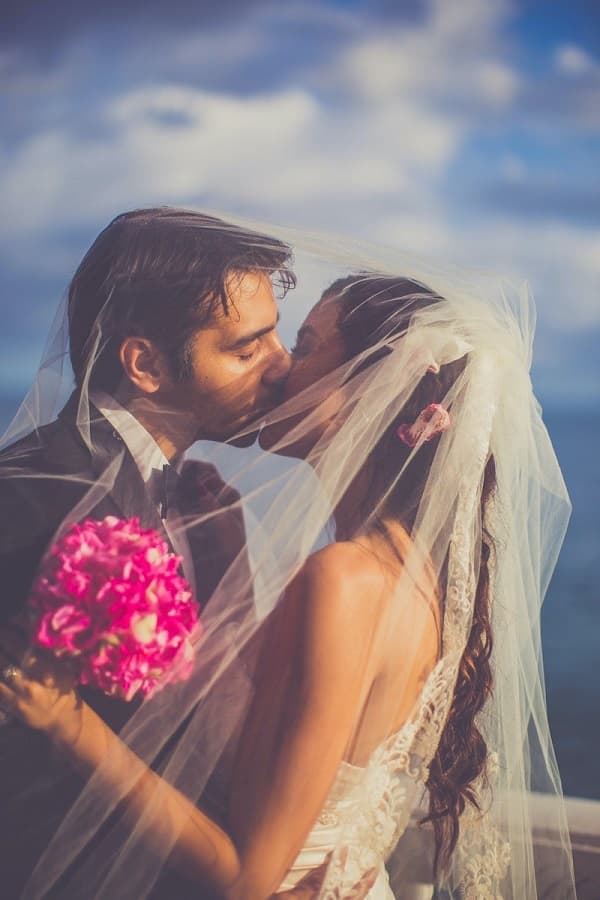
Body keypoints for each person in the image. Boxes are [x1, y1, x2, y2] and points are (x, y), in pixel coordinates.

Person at [0, 241, 575, 898]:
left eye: (302, 346)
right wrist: (233, 554)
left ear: (366, 389)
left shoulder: (346, 579)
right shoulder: (412, 572)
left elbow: (251, 877)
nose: (278, 370)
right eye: (261, 346)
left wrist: (70, 724)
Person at [0, 207, 296, 897]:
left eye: (276, 337)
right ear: (147, 364)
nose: (283, 368)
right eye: (248, 348)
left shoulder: (190, 496)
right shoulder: (40, 496)